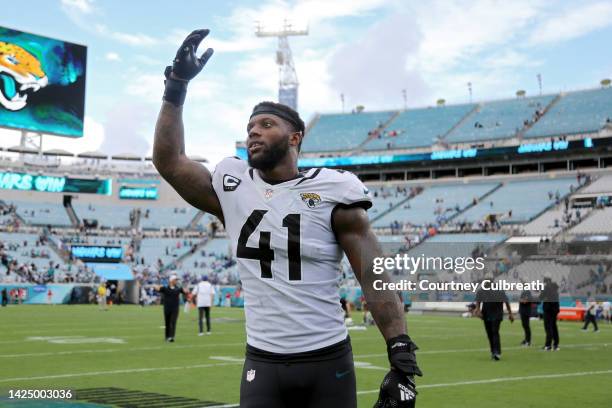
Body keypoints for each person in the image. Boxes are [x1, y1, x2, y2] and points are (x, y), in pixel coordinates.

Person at [153, 29, 421, 408]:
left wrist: (401, 353)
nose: (254, 133)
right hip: (263, 360)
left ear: (295, 137)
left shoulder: (333, 190)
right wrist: (176, 87)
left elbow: (373, 273)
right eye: (250, 128)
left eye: (265, 124)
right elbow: (169, 161)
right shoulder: (233, 185)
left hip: (327, 358)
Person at [474, 279, 514, 360]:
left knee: (495, 332)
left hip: (497, 314)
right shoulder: (482, 290)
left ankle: (497, 352)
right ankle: (493, 351)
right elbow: (478, 301)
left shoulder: (499, 290)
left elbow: (506, 301)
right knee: (489, 333)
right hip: (486, 314)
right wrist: (478, 310)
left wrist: (510, 313)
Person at [154, 274, 187, 342]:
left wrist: (184, 287)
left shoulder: (178, 288)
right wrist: (157, 283)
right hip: (167, 308)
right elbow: (156, 288)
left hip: (175, 308)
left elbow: (186, 292)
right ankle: (167, 337)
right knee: (167, 323)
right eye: (175, 280)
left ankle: (172, 337)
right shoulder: (165, 288)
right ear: (171, 281)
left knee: (173, 322)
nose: (176, 281)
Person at [539, 277, 560, 351]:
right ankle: (556, 345)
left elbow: (540, 297)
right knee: (554, 326)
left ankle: (548, 345)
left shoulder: (546, 287)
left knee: (548, 327)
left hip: (548, 309)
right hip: (555, 309)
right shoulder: (555, 287)